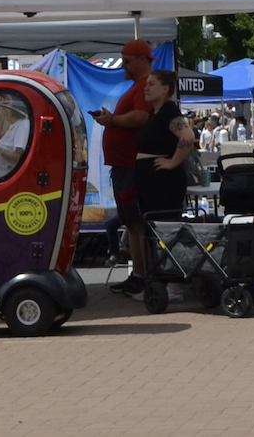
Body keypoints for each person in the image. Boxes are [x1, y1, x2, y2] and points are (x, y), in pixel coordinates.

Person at [90, 40, 155, 295]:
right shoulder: (138, 86)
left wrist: (113, 120)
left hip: (130, 165)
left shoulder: (143, 86)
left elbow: (141, 116)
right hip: (124, 165)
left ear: (142, 59)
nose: (124, 66)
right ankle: (138, 273)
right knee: (131, 222)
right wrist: (113, 120)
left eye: (127, 61)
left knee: (136, 222)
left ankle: (143, 276)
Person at [131, 70, 195, 314]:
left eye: (151, 84)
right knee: (154, 230)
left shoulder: (170, 112)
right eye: (146, 84)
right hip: (149, 180)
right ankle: (161, 280)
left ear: (165, 89)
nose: (146, 88)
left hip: (164, 182)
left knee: (167, 229)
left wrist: (173, 162)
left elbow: (187, 136)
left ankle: (174, 285)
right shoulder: (154, 113)